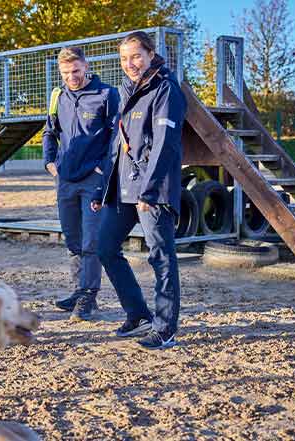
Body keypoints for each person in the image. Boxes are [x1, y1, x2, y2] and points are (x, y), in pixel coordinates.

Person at [91, 31, 187, 350]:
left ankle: (165, 328)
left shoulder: (165, 88)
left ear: (150, 53)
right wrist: (101, 190)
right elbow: (118, 144)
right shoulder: (128, 90)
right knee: (105, 247)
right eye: (123, 58)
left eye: (135, 56)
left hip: (151, 191)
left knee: (160, 255)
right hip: (123, 189)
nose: (129, 63)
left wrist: (151, 189)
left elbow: (165, 144)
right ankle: (138, 314)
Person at [43, 46, 119, 321]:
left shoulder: (106, 95)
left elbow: (116, 137)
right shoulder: (58, 96)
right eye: (65, 73)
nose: (71, 77)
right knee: (72, 239)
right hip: (64, 178)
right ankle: (78, 290)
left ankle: (89, 295)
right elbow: (49, 132)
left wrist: (103, 169)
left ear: (86, 66)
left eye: (75, 71)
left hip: (93, 180)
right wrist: (50, 163)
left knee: (91, 240)